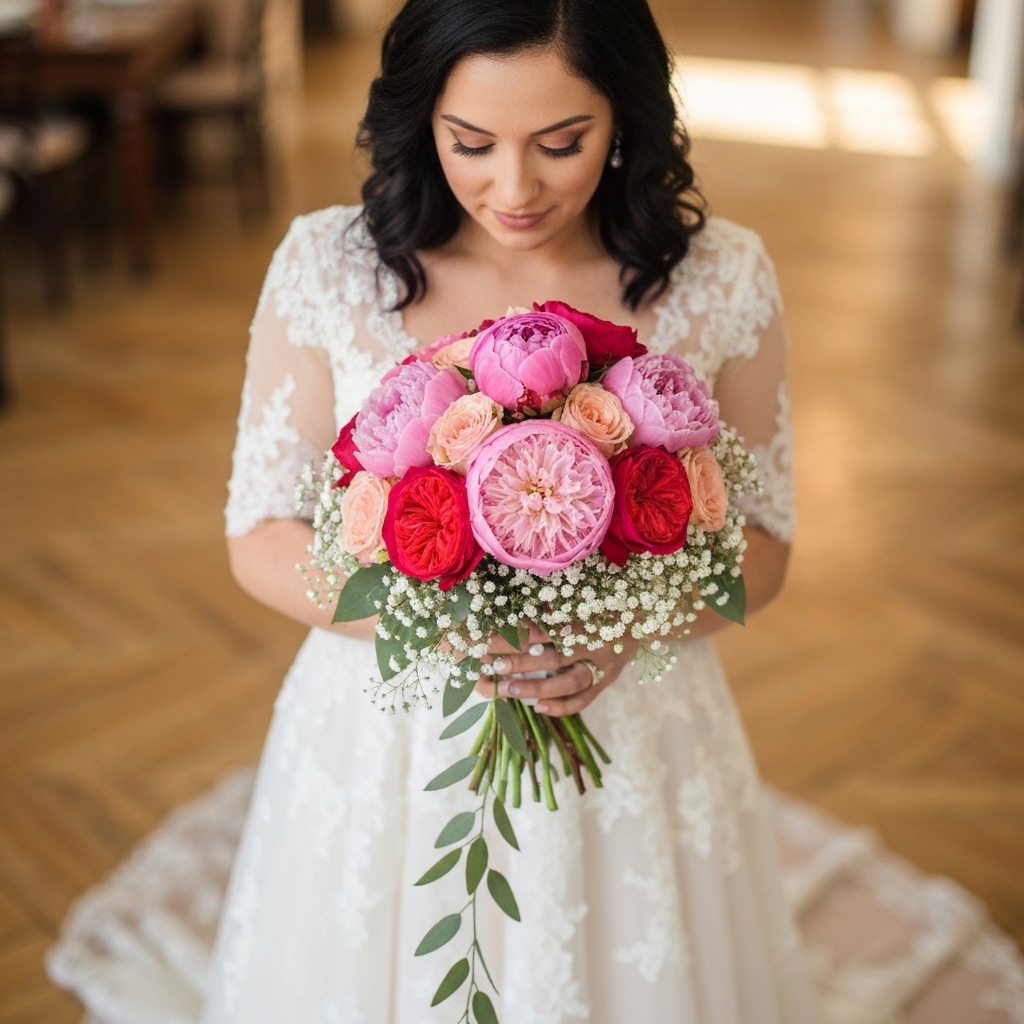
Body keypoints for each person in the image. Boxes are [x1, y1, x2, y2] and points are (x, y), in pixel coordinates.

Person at [209, 0, 816, 1020]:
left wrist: (622, 633)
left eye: (562, 143)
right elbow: (259, 534)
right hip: (390, 737)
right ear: (421, 122)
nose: (515, 187)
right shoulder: (329, 266)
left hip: (632, 727)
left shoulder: (720, 278)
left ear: (625, 118)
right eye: (471, 143)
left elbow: (762, 544)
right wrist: (446, 625)